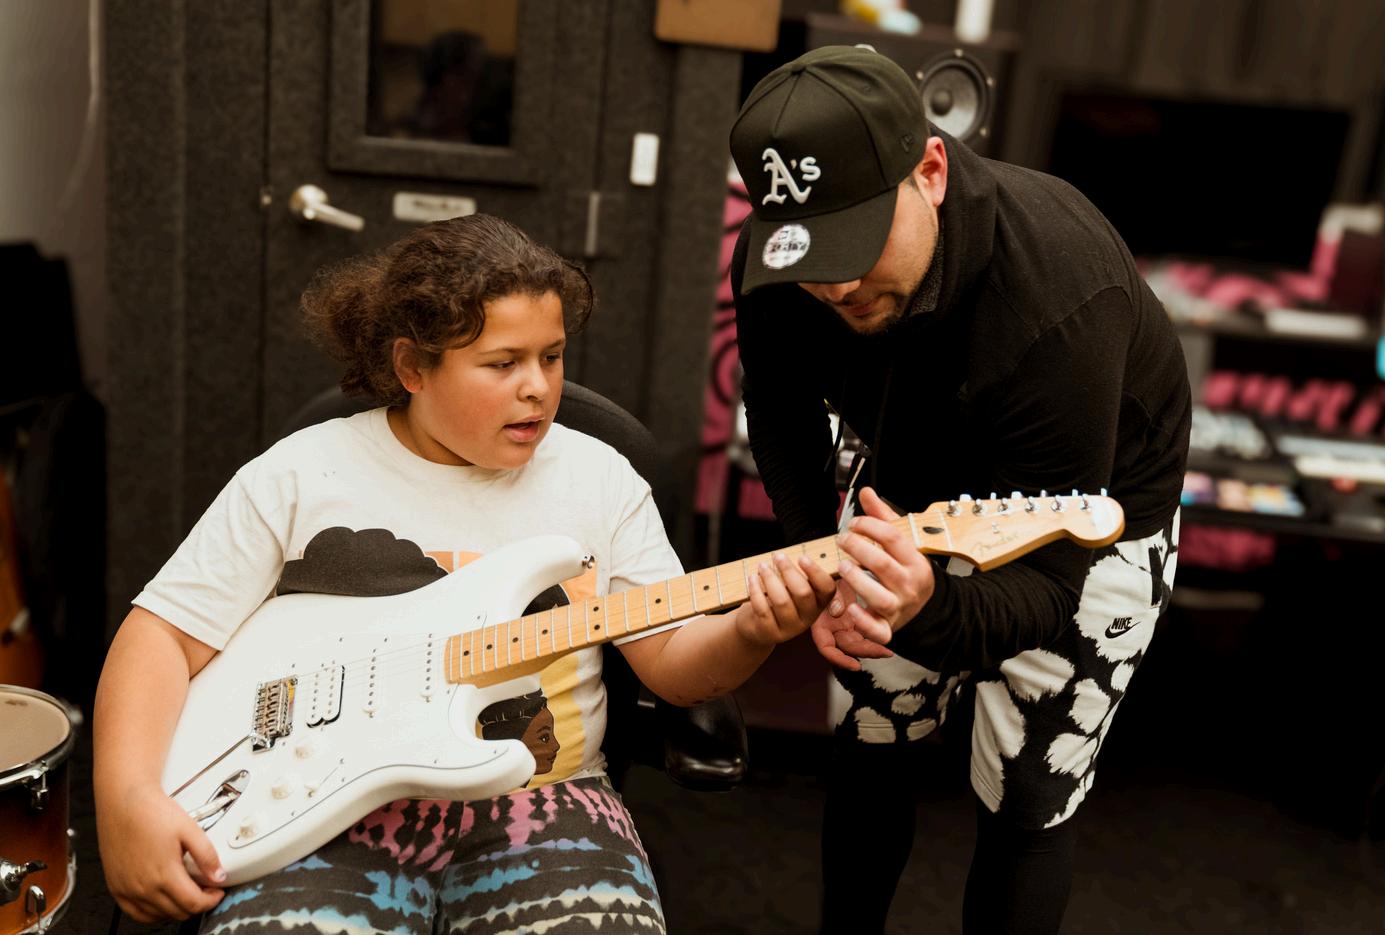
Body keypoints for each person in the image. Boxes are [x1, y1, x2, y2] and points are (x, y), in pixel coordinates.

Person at [94, 213, 837, 931]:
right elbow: (161, 635)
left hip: (549, 800)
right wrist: (126, 799)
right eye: (503, 363)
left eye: (552, 356)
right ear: (412, 367)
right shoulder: (300, 473)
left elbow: (674, 666)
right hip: (322, 804)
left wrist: (751, 630)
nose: (538, 387)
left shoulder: (600, 480)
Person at [728, 46, 1190, 933]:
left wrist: (928, 608)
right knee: (870, 739)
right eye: (809, 251)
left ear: (931, 171)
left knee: (1027, 789)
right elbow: (779, 405)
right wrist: (820, 559)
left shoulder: (1060, 294)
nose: (836, 283)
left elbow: (1048, 594)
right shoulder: (783, 267)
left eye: (856, 241)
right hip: (910, 475)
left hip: (1091, 510)